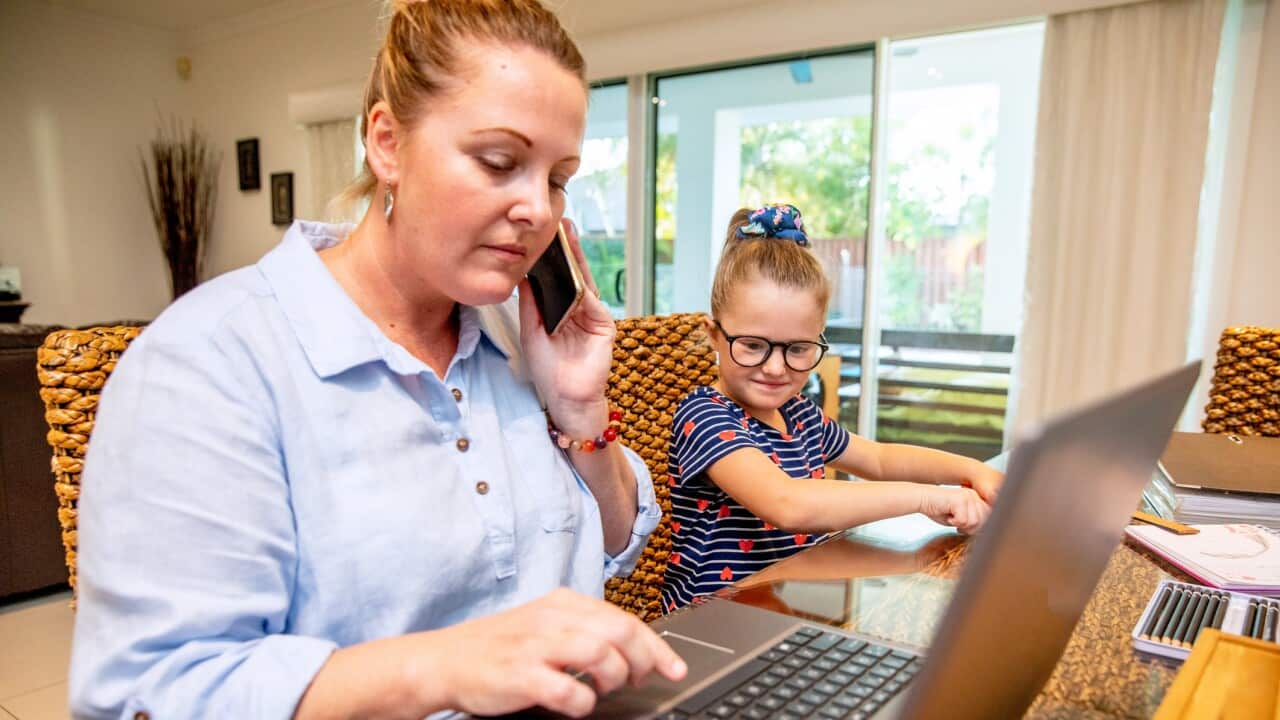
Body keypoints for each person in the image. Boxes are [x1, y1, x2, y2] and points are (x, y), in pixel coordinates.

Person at [68, 1, 686, 717]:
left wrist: (581, 414)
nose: (538, 211)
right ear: (387, 144)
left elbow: (616, 545)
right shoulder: (208, 366)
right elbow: (152, 694)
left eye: (557, 179)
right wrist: (448, 665)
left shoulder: (521, 335)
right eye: (499, 162)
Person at [662, 204, 1004, 610]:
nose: (775, 368)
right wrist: (928, 499)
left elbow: (879, 459)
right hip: (711, 623)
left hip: (781, 606)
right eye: (753, 345)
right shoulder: (704, 415)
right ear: (714, 335)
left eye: (799, 349)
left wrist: (972, 470)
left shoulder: (798, 413)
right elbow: (786, 503)